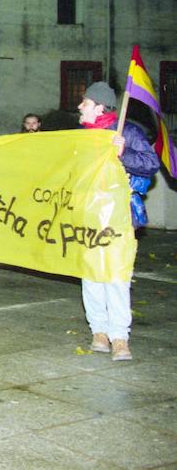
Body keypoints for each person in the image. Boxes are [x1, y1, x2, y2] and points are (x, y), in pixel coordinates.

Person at [78, 82, 159, 361]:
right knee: (90, 276)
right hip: (88, 216)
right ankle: (98, 331)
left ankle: (120, 337)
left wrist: (124, 152)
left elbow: (150, 164)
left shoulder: (128, 132)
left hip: (119, 216)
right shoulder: (80, 137)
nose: (80, 107)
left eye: (85, 103)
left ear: (100, 107)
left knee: (115, 275)